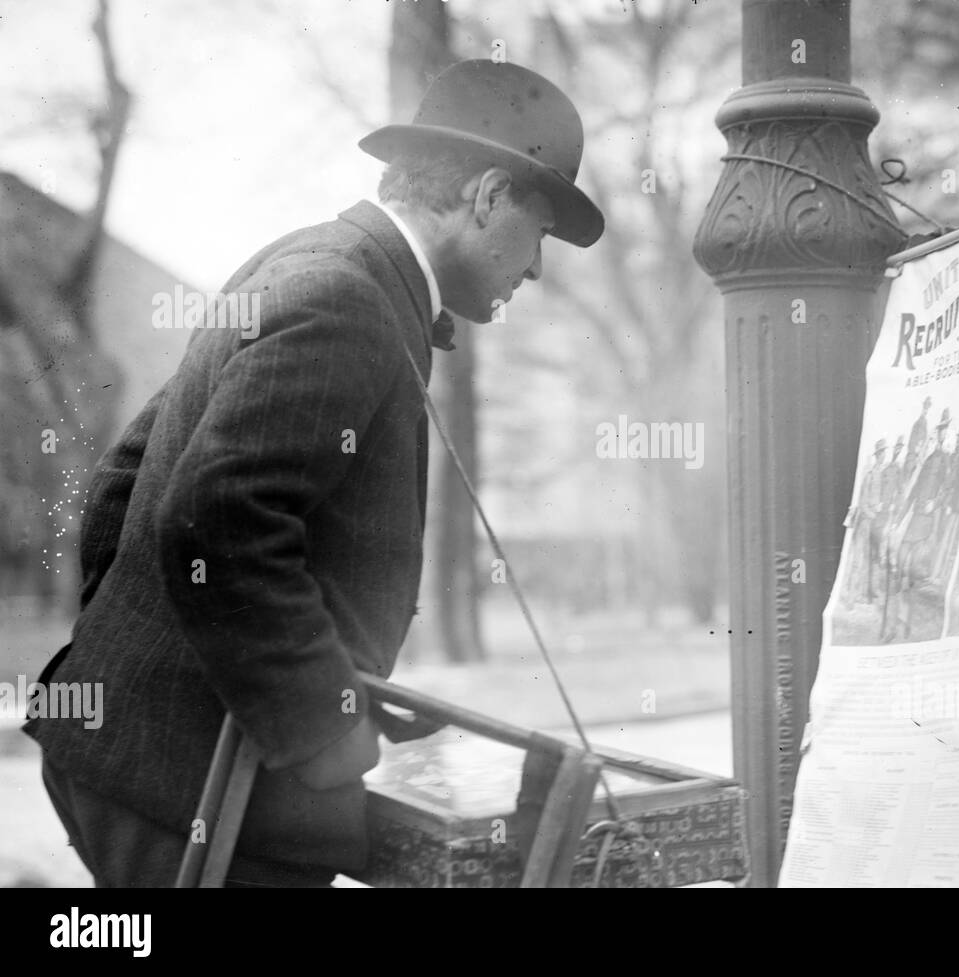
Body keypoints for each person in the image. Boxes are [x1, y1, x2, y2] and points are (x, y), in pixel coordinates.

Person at [24, 60, 604, 887]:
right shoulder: (347, 299)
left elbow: (125, 480)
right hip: (188, 795)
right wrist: (323, 728)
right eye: (541, 231)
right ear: (485, 197)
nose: (538, 267)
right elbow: (216, 522)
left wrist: (136, 662)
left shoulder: (309, 259)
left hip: (135, 761)